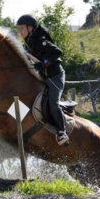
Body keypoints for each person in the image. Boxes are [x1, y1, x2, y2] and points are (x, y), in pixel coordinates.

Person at [17, 14, 69, 145]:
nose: (20, 31)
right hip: (43, 78)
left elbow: (58, 52)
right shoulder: (30, 42)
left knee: (53, 103)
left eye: (22, 28)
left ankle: (62, 132)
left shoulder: (40, 40)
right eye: (19, 28)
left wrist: (44, 63)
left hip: (55, 77)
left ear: (30, 28)